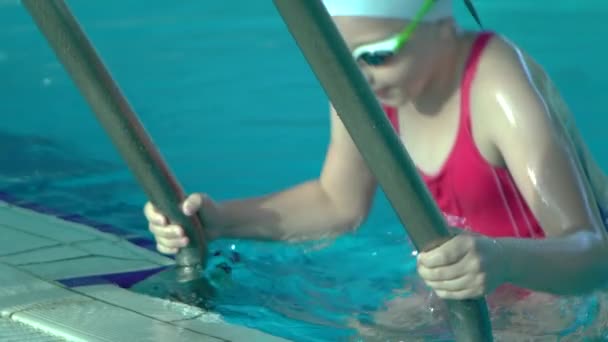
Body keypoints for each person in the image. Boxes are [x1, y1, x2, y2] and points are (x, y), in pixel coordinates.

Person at [144, 0, 608, 305]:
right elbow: (337, 203)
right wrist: (219, 221)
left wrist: (504, 261)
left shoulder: (495, 82)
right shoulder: (371, 84)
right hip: (461, 277)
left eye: (377, 54)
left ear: (443, 26)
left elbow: (591, 253)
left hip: (557, 289)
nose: (357, 77)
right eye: (340, 61)